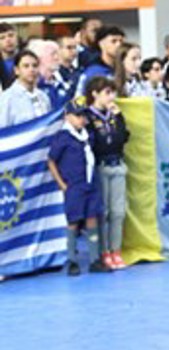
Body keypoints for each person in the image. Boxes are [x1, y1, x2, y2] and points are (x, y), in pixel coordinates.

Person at [48, 97, 110, 276]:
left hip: (90, 183)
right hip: (74, 186)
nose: (82, 120)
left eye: (84, 116)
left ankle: (94, 259)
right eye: (77, 116)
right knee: (73, 222)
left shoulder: (87, 135)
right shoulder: (63, 137)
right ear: (67, 116)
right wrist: (62, 184)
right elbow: (51, 160)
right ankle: (72, 260)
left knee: (92, 219)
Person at [84, 77, 130, 270]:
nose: (111, 97)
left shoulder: (114, 115)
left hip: (118, 164)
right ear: (95, 94)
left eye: (112, 93)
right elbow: (93, 143)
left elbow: (122, 138)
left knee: (118, 212)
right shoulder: (88, 116)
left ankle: (116, 251)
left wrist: (118, 118)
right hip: (100, 167)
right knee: (104, 212)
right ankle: (103, 252)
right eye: (107, 93)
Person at [0, 51, 52, 128]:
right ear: (16, 70)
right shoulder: (7, 98)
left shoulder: (43, 96)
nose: (31, 70)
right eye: (26, 66)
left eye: (35, 66)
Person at [74, 26, 124, 98]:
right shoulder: (93, 72)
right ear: (101, 44)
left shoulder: (124, 68)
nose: (118, 45)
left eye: (121, 41)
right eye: (114, 41)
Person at [1, 22, 19, 89]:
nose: (8, 40)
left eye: (11, 35)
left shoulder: (26, 60)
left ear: (16, 38)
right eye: (2, 38)